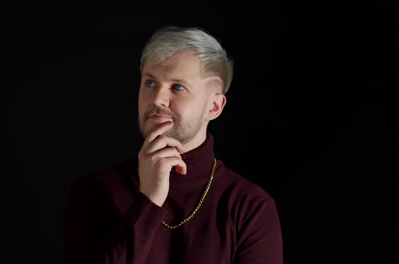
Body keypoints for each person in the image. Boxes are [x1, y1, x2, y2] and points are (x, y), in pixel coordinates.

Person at [62, 26, 283, 264]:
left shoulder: (250, 208)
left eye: (177, 87)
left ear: (214, 107)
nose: (157, 99)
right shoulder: (94, 192)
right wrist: (149, 201)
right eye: (149, 83)